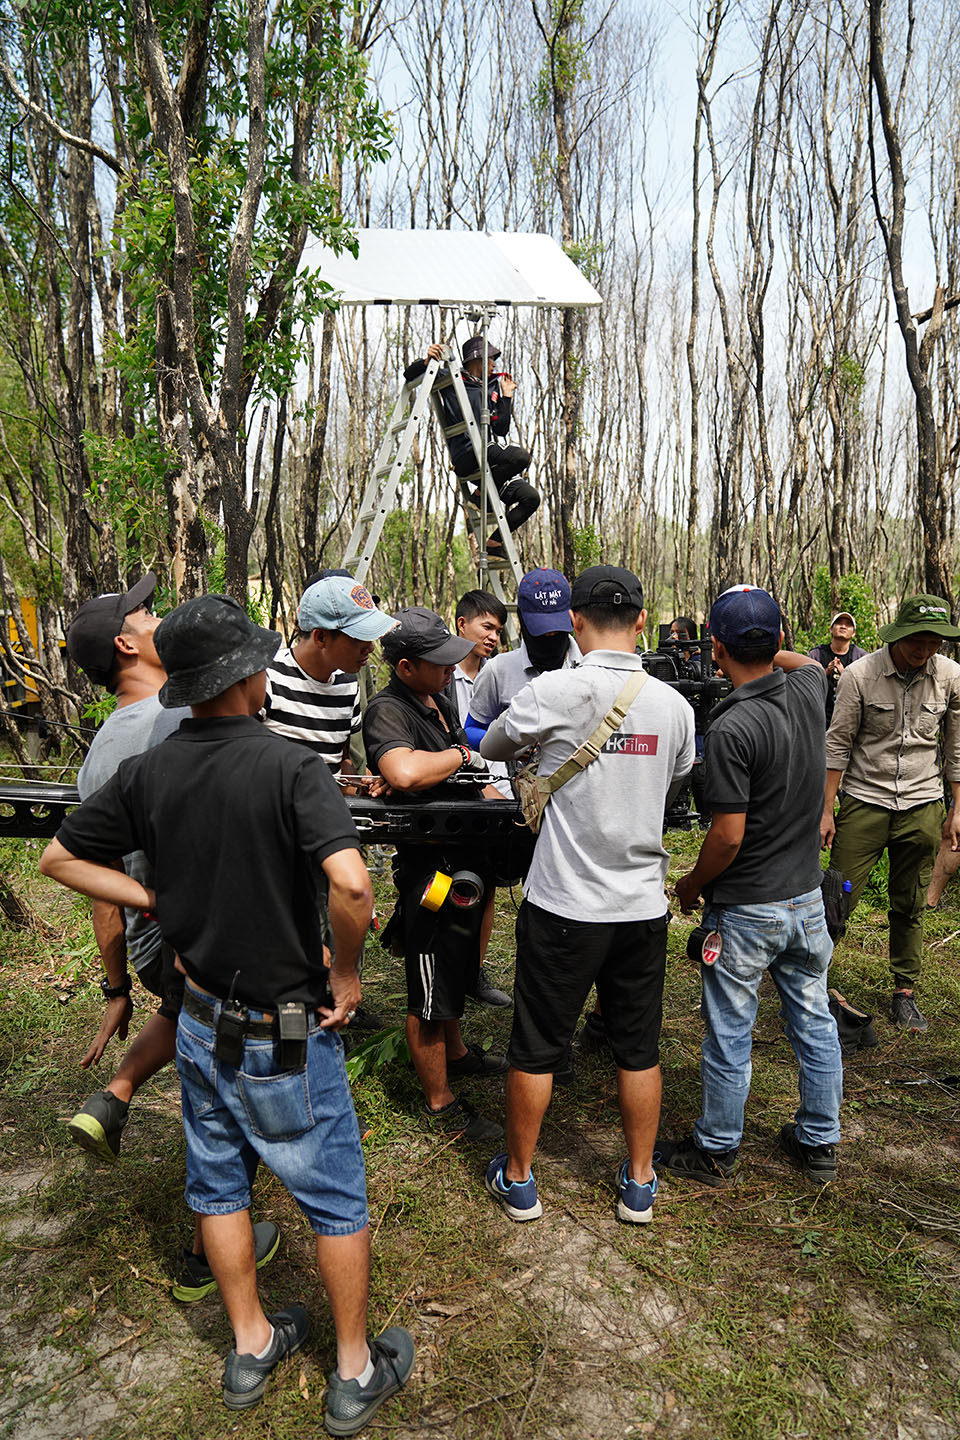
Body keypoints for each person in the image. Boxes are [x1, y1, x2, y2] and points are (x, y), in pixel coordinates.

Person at [41, 595, 414, 1432]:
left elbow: (59, 855)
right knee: (334, 1196)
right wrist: (347, 976)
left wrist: (154, 899)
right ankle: (354, 1369)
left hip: (201, 1018)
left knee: (216, 1184)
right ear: (247, 674)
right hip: (282, 1024)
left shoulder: (152, 769)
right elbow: (353, 885)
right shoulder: (291, 768)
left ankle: (250, 1344)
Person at [64, 574, 279, 1300]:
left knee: (200, 1045)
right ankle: (205, 1258)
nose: (158, 615)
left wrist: (118, 979)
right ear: (128, 643)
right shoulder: (168, 723)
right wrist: (171, 903)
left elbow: (90, 871)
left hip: (154, 939)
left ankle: (118, 1092)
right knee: (233, 1089)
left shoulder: (103, 745)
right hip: (195, 932)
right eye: (147, 612)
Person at [478, 565, 694, 1223]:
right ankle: (639, 1181)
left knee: (537, 1045)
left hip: (564, 903)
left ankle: (519, 1179)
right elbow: (678, 776)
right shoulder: (674, 705)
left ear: (574, 621)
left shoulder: (555, 692)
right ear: (640, 620)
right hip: (641, 906)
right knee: (638, 1048)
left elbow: (491, 741)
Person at [665, 585, 842, 1187]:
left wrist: (691, 885)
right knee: (813, 1019)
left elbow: (727, 837)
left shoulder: (734, 725)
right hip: (806, 900)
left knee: (731, 1028)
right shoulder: (809, 691)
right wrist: (778, 651)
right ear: (781, 641)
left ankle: (716, 1147)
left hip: (746, 909)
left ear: (715, 647)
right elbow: (810, 664)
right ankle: (819, 1141)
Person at [362, 607, 508, 1142]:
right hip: (431, 871)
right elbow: (401, 771)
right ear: (404, 667)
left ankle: (459, 1053)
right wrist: (458, 754)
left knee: (457, 965)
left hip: (467, 857)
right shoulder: (388, 710)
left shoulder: (437, 698)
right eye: (437, 662)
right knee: (430, 986)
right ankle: (440, 1102)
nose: (450, 669)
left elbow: (457, 769)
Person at [822, 594, 960, 1033]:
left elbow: (956, 749)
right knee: (837, 896)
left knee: (911, 900)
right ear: (898, 635)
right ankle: (809, 981)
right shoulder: (861, 676)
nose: (925, 650)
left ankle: (904, 992)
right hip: (865, 800)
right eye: (917, 640)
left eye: (934, 641)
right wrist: (827, 810)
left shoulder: (951, 677)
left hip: (922, 802)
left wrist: (957, 810)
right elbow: (837, 744)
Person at [405, 337, 540, 551]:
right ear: (477, 358)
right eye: (491, 359)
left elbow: (501, 430)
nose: (494, 364)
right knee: (521, 456)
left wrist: (506, 397)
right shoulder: (452, 376)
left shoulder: (491, 387)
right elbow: (409, 375)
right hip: (467, 453)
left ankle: (495, 543)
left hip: (488, 459)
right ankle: (481, 496)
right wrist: (426, 361)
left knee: (531, 498)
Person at [447, 590, 512, 1009]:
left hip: (500, 797)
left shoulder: (501, 673)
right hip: (456, 798)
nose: (493, 637)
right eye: (486, 626)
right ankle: (446, 969)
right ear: (461, 625)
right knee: (451, 885)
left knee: (485, 885)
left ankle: (473, 971)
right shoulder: (439, 677)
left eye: (498, 630)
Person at [262, 574, 396, 774]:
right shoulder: (267, 680)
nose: (370, 648)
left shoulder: (348, 685)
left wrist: (365, 785)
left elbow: (341, 761)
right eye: (358, 637)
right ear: (321, 637)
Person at [808, 612, 867, 725]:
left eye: (848, 625)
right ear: (831, 629)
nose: (843, 626)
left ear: (853, 633)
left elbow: (867, 689)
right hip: (820, 719)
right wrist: (825, 672)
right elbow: (806, 685)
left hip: (851, 720)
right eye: (839, 623)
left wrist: (845, 674)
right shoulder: (816, 654)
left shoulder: (861, 657)